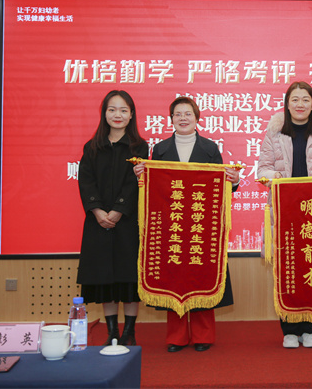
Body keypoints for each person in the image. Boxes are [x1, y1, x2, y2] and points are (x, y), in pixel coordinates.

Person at [134, 96, 240, 353]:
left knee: (201, 275)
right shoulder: (160, 149)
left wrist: (234, 180)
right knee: (173, 278)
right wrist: (141, 176)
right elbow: (154, 188)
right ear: (171, 119)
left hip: (202, 224)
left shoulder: (210, 148)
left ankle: (203, 335)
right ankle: (177, 337)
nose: (183, 118)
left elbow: (223, 186)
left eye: (187, 113)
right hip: (171, 224)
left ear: (197, 118)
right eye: (177, 114)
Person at [257, 81, 312, 349]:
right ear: (287, 103)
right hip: (284, 211)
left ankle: (310, 328)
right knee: (287, 269)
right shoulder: (274, 134)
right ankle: (289, 329)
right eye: (295, 99)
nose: (300, 104)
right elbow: (262, 169)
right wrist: (276, 176)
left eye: (305, 99)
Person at [77, 90, 148, 346]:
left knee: (128, 278)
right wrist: (97, 211)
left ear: (131, 115)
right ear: (104, 113)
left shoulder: (139, 147)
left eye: (123, 110)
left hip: (127, 221)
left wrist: (118, 210)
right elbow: (86, 181)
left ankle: (129, 331)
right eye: (112, 109)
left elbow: (134, 183)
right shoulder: (92, 147)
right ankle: (112, 332)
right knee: (104, 277)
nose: (117, 115)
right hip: (98, 222)